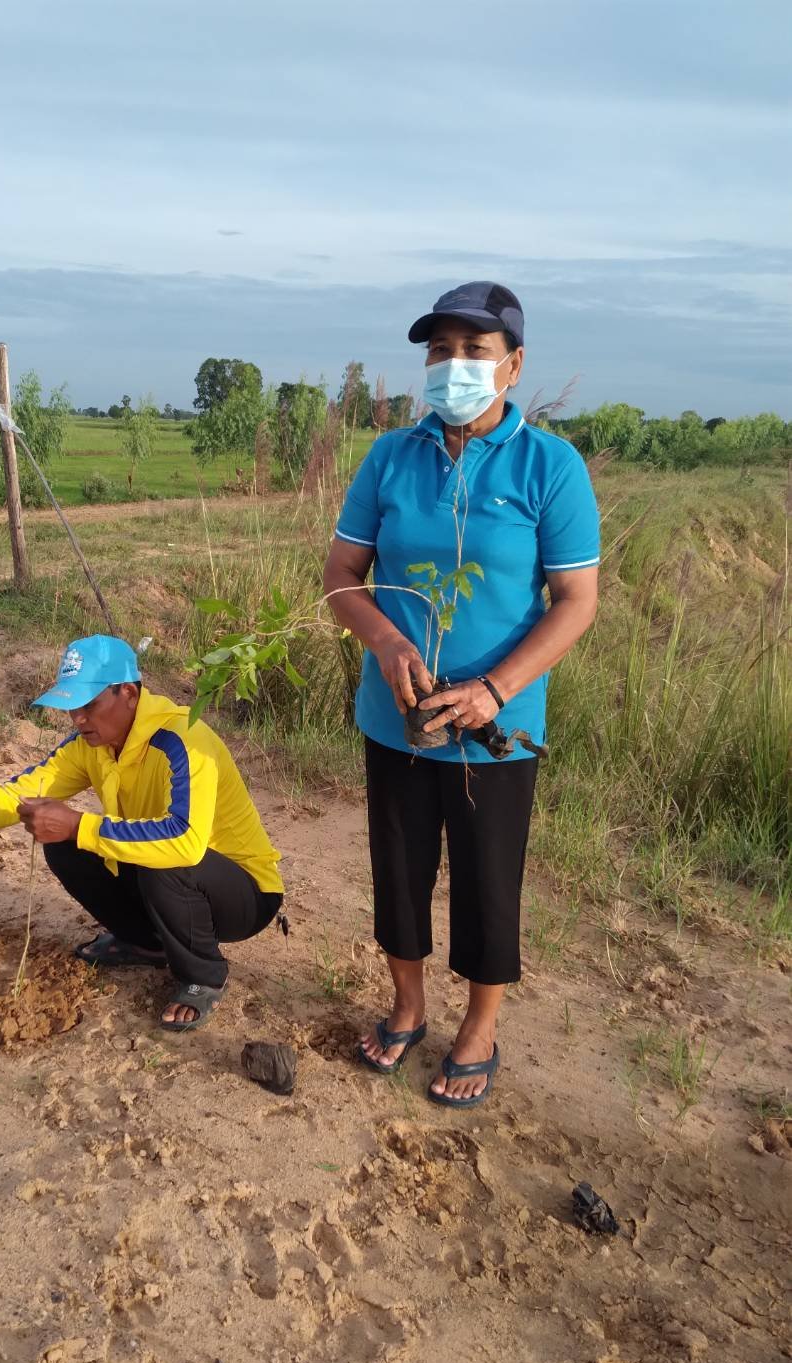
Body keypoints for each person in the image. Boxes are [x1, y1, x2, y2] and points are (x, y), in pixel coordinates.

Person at [323, 281, 599, 1106]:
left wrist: (494, 688)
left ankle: (478, 1027)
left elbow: (575, 600)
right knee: (400, 871)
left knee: (487, 877)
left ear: (512, 366)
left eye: (473, 352)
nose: (452, 367)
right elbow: (342, 577)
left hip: (495, 724)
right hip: (397, 714)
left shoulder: (548, 466)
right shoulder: (390, 457)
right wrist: (387, 638)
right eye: (438, 351)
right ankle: (407, 1006)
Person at [0, 635, 284, 1032]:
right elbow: (24, 791)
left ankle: (203, 973)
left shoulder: (184, 740)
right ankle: (147, 943)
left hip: (245, 893)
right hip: (172, 880)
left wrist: (80, 824)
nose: (78, 719)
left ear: (128, 693)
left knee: (159, 859)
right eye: (72, 707)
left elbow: (184, 840)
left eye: (90, 705)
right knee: (64, 844)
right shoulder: (89, 745)